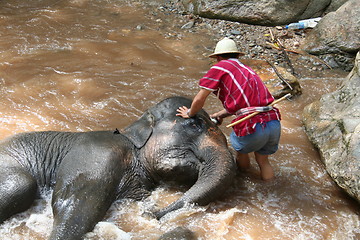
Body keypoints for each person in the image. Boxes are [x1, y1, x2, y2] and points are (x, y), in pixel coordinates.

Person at [176, 37, 281, 181]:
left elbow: (201, 97)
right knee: (263, 161)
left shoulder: (220, 67)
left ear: (218, 57)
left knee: (241, 153)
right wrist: (220, 114)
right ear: (237, 55)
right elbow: (246, 105)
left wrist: (190, 113)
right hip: (273, 122)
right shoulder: (248, 70)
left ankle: (245, 182)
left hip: (253, 125)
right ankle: (271, 193)